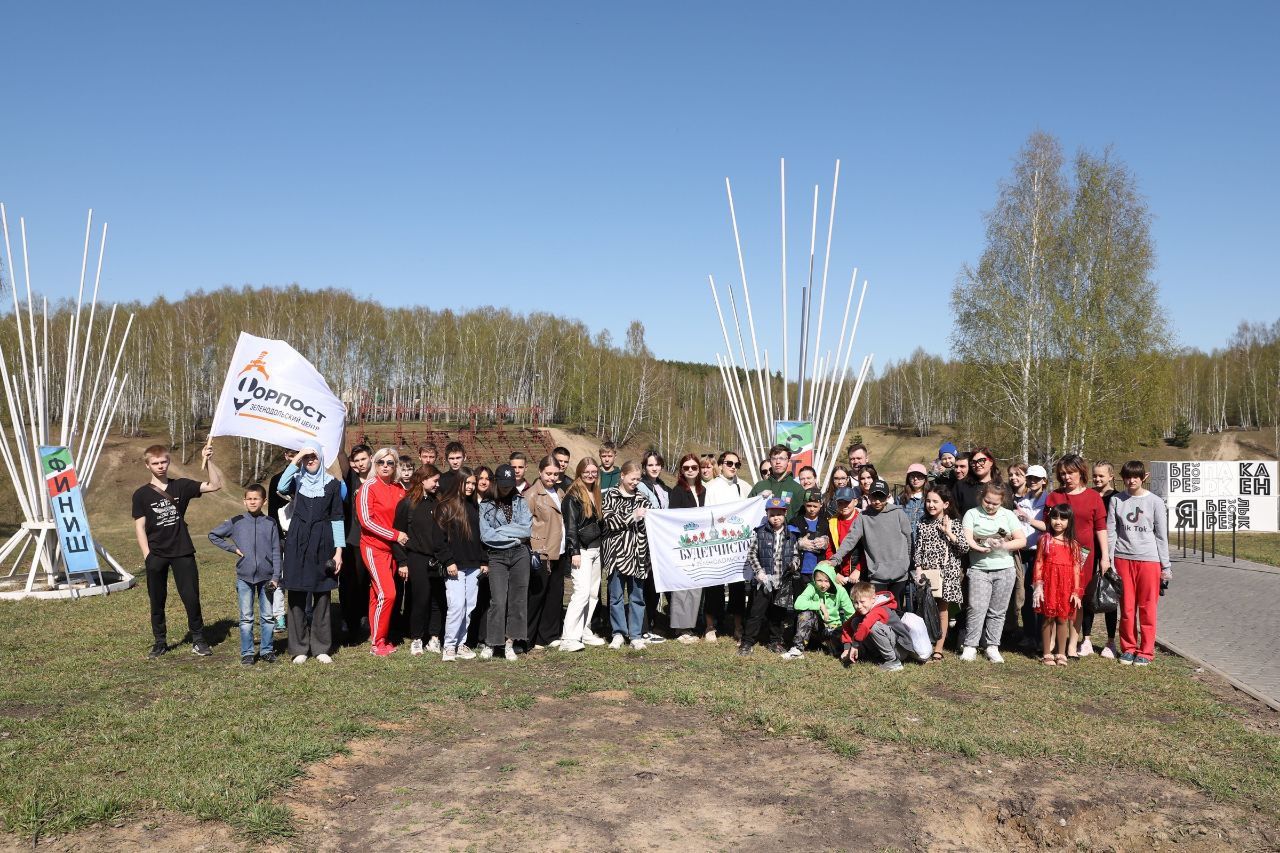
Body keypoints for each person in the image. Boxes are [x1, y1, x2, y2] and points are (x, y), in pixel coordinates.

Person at [132, 442, 223, 658]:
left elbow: (215, 485)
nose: (161, 466)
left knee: (191, 597)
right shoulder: (141, 494)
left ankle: (199, 640)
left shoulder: (181, 486)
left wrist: (208, 459)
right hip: (156, 555)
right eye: (155, 463)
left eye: (164, 461)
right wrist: (147, 555)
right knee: (157, 599)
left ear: (168, 461)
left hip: (182, 551)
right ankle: (160, 642)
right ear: (148, 465)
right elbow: (139, 526)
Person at [274, 443, 345, 664]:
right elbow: (281, 485)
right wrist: (298, 458)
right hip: (297, 541)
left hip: (324, 542)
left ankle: (321, 647)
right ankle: (299, 648)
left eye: (314, 456)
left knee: (322, 593)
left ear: (321, 458)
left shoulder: (333, 485)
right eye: (307, 458)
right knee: (296, 594)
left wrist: (339, 552)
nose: (310, 461)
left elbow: (337, 518)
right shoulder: (297, 481)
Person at [1107, 461, 1172, 667]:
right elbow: (1111, 532)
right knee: (1126, 609)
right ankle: (1128, 648)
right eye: (1127, 476)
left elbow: (1162, 536)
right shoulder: (1117, 500)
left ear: (1144, 477)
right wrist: (1109, 560)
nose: (1131, 480)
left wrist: (1166, 566)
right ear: (1122, 477)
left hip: (1149, 561)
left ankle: (1146, 651)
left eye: (1136, 476)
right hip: (1122, 559)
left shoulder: (1155, 502)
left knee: (1147, 608)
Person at [208, 483, 282, 665]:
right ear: (244, 501)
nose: (252, 502)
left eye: (256, 498)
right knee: (246, 618)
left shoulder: (270, 523)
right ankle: (247, 652)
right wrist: (233, 549)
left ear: (264, 501)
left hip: (267, 577)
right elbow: (213, 535)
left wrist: (276, 577)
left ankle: (266, 650)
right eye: (249, 499)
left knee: (267, 617)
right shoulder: (237, 521)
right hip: (244, 578)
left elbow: (276, 551)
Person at [1045, 454, 1109, 658]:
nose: (1066, 477)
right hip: (1058, 554)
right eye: (1062, 473)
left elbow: (1100, 528)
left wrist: (1105, 556)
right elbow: (1047, 527)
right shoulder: (1054, 496)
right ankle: (1053, 642)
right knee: (1056, 596)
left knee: (1076, 598)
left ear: (1081, 473)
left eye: (1070, 473)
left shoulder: (1093, 497)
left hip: (1084, 556)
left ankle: (1073, 643)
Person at [960, 482, 1027, 663]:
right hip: (979, 569)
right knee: (976, 608)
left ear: (1002, 502)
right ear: (982, 497)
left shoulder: (1008, 515)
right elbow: (967, 538)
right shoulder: (972, 514)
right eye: (987, 501)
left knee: (998, 610)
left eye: (995, 503)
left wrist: (1004, 545)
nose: (990, 506)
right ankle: (970, 646)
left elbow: (1021, 540)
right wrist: (978, 548)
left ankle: (992, 646)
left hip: (1005, 569)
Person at [479, 464, 534, 661]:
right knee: (498, 600)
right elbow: (486, 536)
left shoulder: (520, 500)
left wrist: (502, 532)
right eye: (503, 484)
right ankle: (492, 642)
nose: (506, 488)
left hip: (520, 554)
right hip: (496, 555)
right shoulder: (486, 504)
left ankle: (511, 641)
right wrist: (513, 533)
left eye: (509, 485)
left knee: (518, 599)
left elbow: (526, 531)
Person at [829, 479, 912, 606]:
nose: (877, 501)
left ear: (888, 496)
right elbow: (850, 539)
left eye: (881, 497)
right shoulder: (863, 517)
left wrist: (906, 562)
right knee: (878, 611)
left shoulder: (898, 513)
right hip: (877, 575)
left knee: (897, 610)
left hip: (900, 573)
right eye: (874, 497)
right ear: (868, 497)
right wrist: (836, 559)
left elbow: (908, 538)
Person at [358, 447, 407, 656]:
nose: (385, 466)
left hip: (392, 551)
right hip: (373, 547)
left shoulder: (399, 488)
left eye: (390, 463)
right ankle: (377, 643)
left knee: (377, 594)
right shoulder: (368, 487)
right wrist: (395, 535)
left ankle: (379, 637)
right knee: (388, 593)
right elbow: (366, 521)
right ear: (374, 464)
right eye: (381, 462)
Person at [436, 467, 487, 662]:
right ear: (459, 482)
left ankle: (461, 643)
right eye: (468, 483)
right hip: (455, 566)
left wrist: (484, 560)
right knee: (456, 606)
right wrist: (448, 561)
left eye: (473, 483)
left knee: (469, 606)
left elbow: (480, 538)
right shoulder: (446, 506)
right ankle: (449, 645)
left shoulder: (474, 506)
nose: (471, 486)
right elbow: (438, 540)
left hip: (473, 565)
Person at [739, 496, 800, 656]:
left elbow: (796, 555)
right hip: (763, 582)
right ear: (767, 514)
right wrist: (759, 571)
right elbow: (752, 554)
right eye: (772, 515)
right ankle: (747, 642)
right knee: (756, 613)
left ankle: (775, 641)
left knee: (777, 614)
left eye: (779, 514)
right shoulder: (760, 533)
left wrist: (794, 565)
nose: (776, 518)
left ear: (785, 513)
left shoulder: (792, 534)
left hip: (782, 582)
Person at [393, 465, 444, 657]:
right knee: (420, 599)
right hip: (416, 557)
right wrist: (402, 561)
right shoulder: (407, 504)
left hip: (436, 558)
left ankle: (434, 637)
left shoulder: (438, 502)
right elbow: (398, 534)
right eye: (434, 481)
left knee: (437, 600)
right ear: (423, 480)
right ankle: (416, 638)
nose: (437, 485)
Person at [913, 483, 968, 660]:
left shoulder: (954, 523)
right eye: (928, 501)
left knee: (942, 610)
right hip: (927, 573)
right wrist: (918, 569)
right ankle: (926, 643)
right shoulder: (922, 522)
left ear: (945, 504)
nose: (931, 505)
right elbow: (919, 548)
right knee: (926, 609)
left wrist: (949, 532)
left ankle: (939, 648)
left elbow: (964, 547)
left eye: (935, 501)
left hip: (946, 573)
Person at [602, 461, 653, 650]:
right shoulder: (610, 496)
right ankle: (618, 633)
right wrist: (633, 516)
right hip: (616, 554)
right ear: (622, 476)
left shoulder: (643, 498)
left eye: (638, 479)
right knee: (615, 596)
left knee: (637, 596)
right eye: (633, 478)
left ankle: (636, 635)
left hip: (638, 555)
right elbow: (610, 522)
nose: (635, 482)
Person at [561, 457, 606, 652]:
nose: (591, 475)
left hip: (596, 549)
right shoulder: (573, 496)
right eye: (587, 471)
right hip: (582, 551)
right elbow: (570, 527)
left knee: (593, 593)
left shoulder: (595, 492)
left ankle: (584, 630)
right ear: (580, 472)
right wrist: (574, 551)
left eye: (594, 472)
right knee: (581, 593)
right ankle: (568, 637)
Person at [704, 450, 749, 641]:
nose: (733, 467)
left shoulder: (742, 486)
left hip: (736, 544)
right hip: (716, 541)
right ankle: (709, 626)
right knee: (714, 584)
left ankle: (738, 626)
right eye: (729, 463)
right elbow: (707, 514)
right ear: (721, 465)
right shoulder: (712, 487)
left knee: (738, 584)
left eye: (737, 464)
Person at [1033, 504, 1084, 666]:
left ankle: (1061, 653)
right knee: (1048, 618)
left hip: (1066, 588)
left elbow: (1077, 569)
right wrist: (1038, 586)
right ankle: (1047, 653)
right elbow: (1039, 563)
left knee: (1062, 619)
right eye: (1055, 517)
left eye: (1063, 518)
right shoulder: (1044, 540)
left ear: (1070, 521)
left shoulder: (1074, 545)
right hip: (1049, 586)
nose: (1058, 522)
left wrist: (1076, 591)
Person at [526, 455, 568, 649]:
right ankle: (527, 637)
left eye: (555, 474)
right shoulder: (532, 494)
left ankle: (548, 635)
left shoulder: (560, 492)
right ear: (540, 472)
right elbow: (524, 525)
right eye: (548, 473)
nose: (552, 477)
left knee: (554, 595)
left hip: (559, 550)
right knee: (537, 596)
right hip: (541, 552)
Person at [840, 582, 929, 672]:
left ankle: (893, 662)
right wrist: (847, 648)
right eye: (855, 602)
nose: (859, 606)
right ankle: (871, 654)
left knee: (873, 626)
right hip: (887, 645)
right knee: (855, 621)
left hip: (900, 650)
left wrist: (855, 645)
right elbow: (846, 626)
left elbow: (865, 625)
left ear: (873, 599)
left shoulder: (881, 609)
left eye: (862, 602)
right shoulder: (863, 609)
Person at [667, 454, 707, 644]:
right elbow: (674, 519)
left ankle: (690, 625)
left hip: (700, 545)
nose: (690, 470)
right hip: (683, 544)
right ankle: (680, 627)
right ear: (681, 470)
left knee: (695, 586)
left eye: (694, 467)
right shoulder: (677, 491)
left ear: (699, 469)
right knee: (682, 586)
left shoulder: (704, 491)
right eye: (686, 467)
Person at [339, 443, 373, 645]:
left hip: (374, 539)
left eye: (363, 459)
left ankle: (364, 615)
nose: (360, 463)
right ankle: (347, 616)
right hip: (352, 539)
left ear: (370, 457)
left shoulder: (377, 479)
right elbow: (341, 456)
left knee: (368, 581)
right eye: (357, 460)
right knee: (350, 581)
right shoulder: (350, 479)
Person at [785, 561, 853, 659]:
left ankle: (835, 646)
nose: (823, 585)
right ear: (814, 579)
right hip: (819, 627)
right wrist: (819, 605)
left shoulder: (840, 591)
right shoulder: (812, 587)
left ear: (832, 580)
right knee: (806, 614)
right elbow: (798, 604)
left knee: (836, 653)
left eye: (826, 581)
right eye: (819, 580)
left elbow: (850, 614)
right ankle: (797, 649)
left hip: (836, 628)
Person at [1014, 463, 1050, 648]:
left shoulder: (1049, 500)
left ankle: (1041, 635)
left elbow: (1049, 526)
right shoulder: (1020, 501)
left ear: (1044, 481)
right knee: (1026, 593)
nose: (1033, 482)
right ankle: (1029, 634)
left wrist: (1028, 519)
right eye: (1030, 478)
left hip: (1041, 552)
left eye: (1037, 479)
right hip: (1023, 552)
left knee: (1039, 592)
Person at [636, 450, 671, 642]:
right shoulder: (641, 486)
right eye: (650, 464)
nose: (654, 468)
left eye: (657, 464)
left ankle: (650, 624)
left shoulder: (664, 487)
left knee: (655, 585)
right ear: (644, 466)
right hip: (645, 543)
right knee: (644, 584)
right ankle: (642, 627)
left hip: (660, 544)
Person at [1090, 460, 1120, 657]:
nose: (1097, 479)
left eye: (1101, 475)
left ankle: (1110, 641)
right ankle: (1086, 638)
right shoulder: (1090, 495)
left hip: (1109, 551)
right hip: (1089, 549)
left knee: (1110, 595)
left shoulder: (1118, 498)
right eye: (1095, 475)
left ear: (1111, 477)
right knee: (1088, 593)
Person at [750, 444, 804, 521]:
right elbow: (747, 510)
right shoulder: (759, 486)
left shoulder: (797, 489)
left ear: (788, 461)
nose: (778, 462)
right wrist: (759, 498)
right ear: (770, 461)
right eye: (774, 458)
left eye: (782, 458)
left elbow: (803, 519)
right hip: (761, 532)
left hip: (787, 532)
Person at [824, 487, 863, 584]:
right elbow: (830, 550)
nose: (844, 506)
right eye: (840, 503)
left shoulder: (863, 519)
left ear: (855, 501)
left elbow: (869, 550)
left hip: (859, 574)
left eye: (847, 502)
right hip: (840, 574)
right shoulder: (832, 521)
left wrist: (858, 570)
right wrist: (835, 573)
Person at [955, 447, 1004, 517]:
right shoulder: (961, 486)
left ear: (991, 462)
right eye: (974, 462)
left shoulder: (1002, 487)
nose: (977, 465)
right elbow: (954, 513)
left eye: (981, 460)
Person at [899, 464, 928, 541]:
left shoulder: (929, 497)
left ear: (925, 478)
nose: (915, 479)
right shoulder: (901, 498)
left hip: (924, 540)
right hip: (905, 541)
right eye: (912, 476)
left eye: (919, 476)